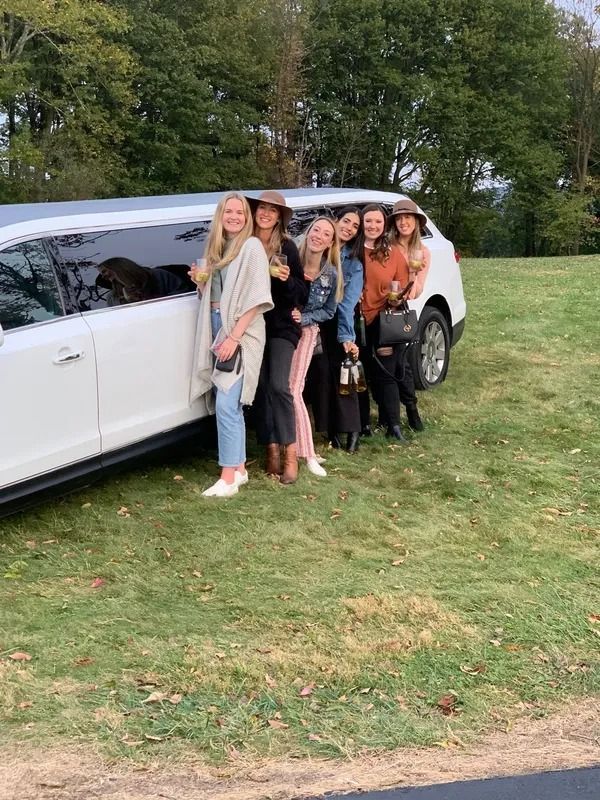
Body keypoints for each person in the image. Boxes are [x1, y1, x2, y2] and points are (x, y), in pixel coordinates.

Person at [189, 192, 272, 497]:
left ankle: (227, 478)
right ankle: (239, 470)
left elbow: (257, 299)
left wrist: (234, 338)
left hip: (241, 331)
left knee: (226, 403)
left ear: (246, 218)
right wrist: (201, 282)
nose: (234, 217)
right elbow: (214, 296)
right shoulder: (217, 248)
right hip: (215, 324)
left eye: (240, 212)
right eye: (229, 211)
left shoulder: (251, 247)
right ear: (220, 216)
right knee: (229, 403)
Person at [247, 191, 308, 484]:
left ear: (279, 218)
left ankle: (290, 454)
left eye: (273, 211)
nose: (266, 213)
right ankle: (270, 447)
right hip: (251, 326)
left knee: (278, 385)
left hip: (281, 325)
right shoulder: (244, 244)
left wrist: (285, 280)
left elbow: (302, 293)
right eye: (262, 208)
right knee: (259, 387)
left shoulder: (287, 247)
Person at [305, 207, 364, 453]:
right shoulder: (315, 246)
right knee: (321, 376)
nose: (349, 228)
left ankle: (352, 429)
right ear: (336, 221)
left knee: (345, 375)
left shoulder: (353, 263)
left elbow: (347, 304)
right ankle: (329, 429)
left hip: (339, 321)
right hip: (314, 321)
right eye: (346, 221)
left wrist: (347, 337)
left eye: (355, 226)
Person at [289, 216, 342, 477]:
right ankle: (290, 447)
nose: (318, 236)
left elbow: (329, 311)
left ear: (330, 243)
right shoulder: (290, 260)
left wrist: (305, 318)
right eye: (316, 230)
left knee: (294, 389)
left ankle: (308, 453)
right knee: (280, 389)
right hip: (281, 331)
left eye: (325, 234)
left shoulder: (330, 274)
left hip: (306, 332)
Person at [360, 202, 414, 441]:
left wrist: (396, 298)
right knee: (360, 373)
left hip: (384, 320)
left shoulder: (392, 253)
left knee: (387, 373)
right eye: (368, 221)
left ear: (384, 225)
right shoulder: (350, 250)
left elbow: (402, 288)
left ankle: (394, 424)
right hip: (355, 320)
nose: (373, 226)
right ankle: (362, 423)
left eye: (378, 221)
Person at [387, 198, 431, 431]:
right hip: (379, 306)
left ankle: (411, 409)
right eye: (399, 218)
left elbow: (416, 292)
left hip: (399, 311)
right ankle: (387, 415)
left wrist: (412, 274)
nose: (403, 222)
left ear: (416, 222)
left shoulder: (423, 252)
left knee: (401, 363)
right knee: (382, 364)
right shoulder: (387, 246)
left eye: (408, 218)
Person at [96, 257, 186, 305]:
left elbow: (183, 295)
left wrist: (147, 298)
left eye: (104, 271)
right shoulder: (112, 297)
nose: (103, 277)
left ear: (117, 267)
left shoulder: (159, 276)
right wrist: (128, 302)